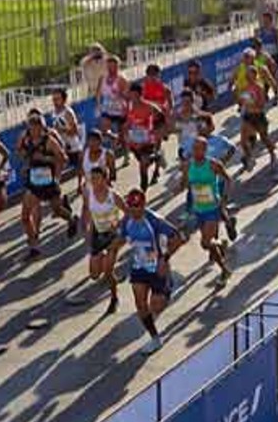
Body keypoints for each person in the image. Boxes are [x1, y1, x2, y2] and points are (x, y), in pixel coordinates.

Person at [112, 189, 181, 355]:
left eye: (138, 206)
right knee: (140, 304)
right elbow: (121, 238)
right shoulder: (126, 220)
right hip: (139, 266)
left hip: (157, 266)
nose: (134, 210)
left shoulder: (155, 220)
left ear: (144, 205)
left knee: (156, 305)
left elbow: (178, 238)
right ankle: (155, 338)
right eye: (131, 206)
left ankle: (167, 288)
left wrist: (165, 259)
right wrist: (112, 250)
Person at [18, 114, 77, 258]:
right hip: (34, 183)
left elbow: (63, 158)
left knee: (57, 209)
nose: (33, 131)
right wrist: (26, 158)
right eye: (30, 128)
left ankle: (71, 219)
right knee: (25, 216)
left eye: (35, 128)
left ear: (41, 127)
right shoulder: (27, 140)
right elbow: (20, 152)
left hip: (48, 181)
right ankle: (34, 247)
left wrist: (51, 167)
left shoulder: (49, 141)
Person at [181, 137, 233, 286]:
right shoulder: (187, 165)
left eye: (200, 148)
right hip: (198, 209)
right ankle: (221, 243)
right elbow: (184, 183)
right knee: (208, 244)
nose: (196, 151)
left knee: (205, 243)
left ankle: (224, 270)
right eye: (194, 148)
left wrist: (224, 199)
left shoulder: (213, 164)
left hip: (213, 208)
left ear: (205, 149)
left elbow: (228, 180)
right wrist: (178, 188)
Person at [81, 166, 127, 314]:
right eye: (91, 178)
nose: (93, 181)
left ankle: (114, 298)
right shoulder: (89, 194)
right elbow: (88, 211)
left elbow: (129, 213)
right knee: (94, 275)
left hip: (113, 236)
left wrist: (118, 225)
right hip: (97, 234)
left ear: (105, 178)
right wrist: (87, 229)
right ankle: (102, 258)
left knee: (108, 272)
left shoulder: (113, 196)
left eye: (96, 178)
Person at [234, 51, 277, 170]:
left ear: (255, 75)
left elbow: (262, 104)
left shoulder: (259, 87)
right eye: (247, 75)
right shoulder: (245, 87)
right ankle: (249, 158)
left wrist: (252, 104)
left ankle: (272, 153)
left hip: (258, 116)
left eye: (250, 75)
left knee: (264, 138)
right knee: (243, 141)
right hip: (248, 116)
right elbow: (241, 100)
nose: (248, 77)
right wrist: (240, 100)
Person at [124, 83, 165, 191]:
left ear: (140, 95)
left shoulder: (149, 107)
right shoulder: (130, 107)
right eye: (131, 95)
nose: (133, 98)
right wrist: (125, 135)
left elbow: (161, 118)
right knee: (143, 163)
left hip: (147, 142)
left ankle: (143, 190)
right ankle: (156, 157)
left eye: (135, 95)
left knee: (143, 165)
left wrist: (157, 133)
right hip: (135, 142)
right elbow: (128, 123)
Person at [50, 88, 83, 180]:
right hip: (61, 145)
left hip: (72, 144)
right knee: (58, 166)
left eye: (57, 99)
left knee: (78, 165)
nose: (55, 102)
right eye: (54, 99)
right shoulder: (53, 113)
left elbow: (75, 131)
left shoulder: (68, 112)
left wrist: (61, 130)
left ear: (63, 100)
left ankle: (80, 184)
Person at [96, 55, 129, 141]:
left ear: (117, 67)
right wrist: (99, 105)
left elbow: (128, 96)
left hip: (120, 109)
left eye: (113, 66)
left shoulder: (121, 80)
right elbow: (98, 93)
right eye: (109, 66)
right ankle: (115, 138)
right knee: (104, 129)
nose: (111, 69)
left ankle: (125, 151)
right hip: (107, 109)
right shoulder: (102, 78)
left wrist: (120, 94)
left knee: (123, 134)